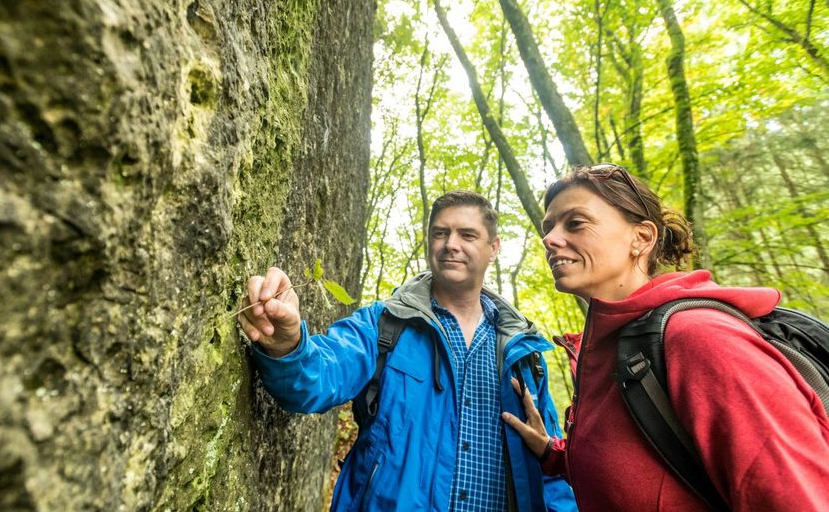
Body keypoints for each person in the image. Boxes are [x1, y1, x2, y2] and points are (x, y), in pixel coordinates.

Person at [502, 164, 829, 511]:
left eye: (576, 223)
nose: (549, 239)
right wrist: (553, 455)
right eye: (548, 227)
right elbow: (637, 471)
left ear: (641, 238)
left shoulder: (699, 339)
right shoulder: (603, 350)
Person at [238, 191, 577, 511]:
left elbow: (549, 466)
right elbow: (316, 378)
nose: (451, 245)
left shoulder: (524, 355)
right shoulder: (385, 324)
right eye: (440, 233)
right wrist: (287, 342)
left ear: (494, 247)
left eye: (468, 235)